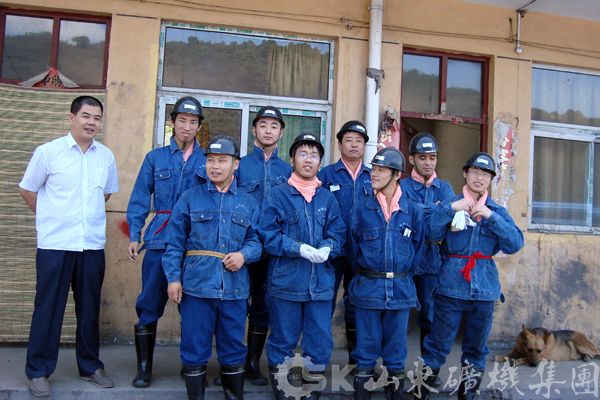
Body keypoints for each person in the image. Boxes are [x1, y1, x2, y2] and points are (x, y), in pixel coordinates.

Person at [18, 96, 119, 397]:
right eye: (86, 116)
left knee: (89, 309)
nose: (91, 122)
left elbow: (106, 194)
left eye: (97, 118)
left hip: (91, 245)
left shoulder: (106, 157)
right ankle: (38, 370)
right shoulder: (48, 152)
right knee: (48, 308)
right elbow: (27, 189)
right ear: (71, 117)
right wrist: (50, 216)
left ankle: (90, 366)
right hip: (56, 245)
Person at [162, 136, 262, 400]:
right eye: (210, 160)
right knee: (194, 348)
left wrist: (244, 255)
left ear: (235, 164)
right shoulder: (190, 198)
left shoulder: (248, 202)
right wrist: (173, 278)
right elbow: (174, 243)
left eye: (222, 160)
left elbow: (257, 241)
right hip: (197, 287)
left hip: (235, 290)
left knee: (233, 348)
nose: (215, 166)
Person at [419, 152, 524, 400]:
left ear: (491, 179)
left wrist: (490, 216)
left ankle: (467, 395)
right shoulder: (450, 204)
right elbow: (430, 233)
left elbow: (514, 244)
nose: (479, 178)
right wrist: (450, 209)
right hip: (450, 287)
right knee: (437, 345)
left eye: (485, 174)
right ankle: (420, 393)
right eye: (475, 172)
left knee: (476, 349)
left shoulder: (496, 211)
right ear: (465, 174)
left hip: (485, 290)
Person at [126, 96, 206, 388]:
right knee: (149, 303)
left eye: (193, 122)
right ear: (172, 122)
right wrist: (134, 234)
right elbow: (139, 197)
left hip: (194, 246)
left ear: (199, 127)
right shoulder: (155, 158)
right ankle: (144, 367)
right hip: (159, 240)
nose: (187, 127)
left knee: (193, 309)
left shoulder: (207, 160)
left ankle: (191, 365)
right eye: (182, 120)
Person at [260, 133, 346, 400]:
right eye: (303, 154)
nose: (308, 160)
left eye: (314, 155)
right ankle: (283, 392)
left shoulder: (327, 198)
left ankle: (310, 391)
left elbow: (338, 232)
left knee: (319, 342)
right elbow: (268, 235)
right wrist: (297, 248)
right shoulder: (277, 195)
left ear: (320, 162)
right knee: (282, 341)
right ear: (292, 160)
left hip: (319, 285)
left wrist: (329, 246)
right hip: (286, 283)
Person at [348, 147, 424, 400]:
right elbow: (353, 249)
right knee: (365, 352)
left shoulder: (412, 210)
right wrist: (369, 272)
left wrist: (400, 272)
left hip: (400, 290)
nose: (374, 174)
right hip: (368, 289)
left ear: (397, 174)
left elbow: (417, 249)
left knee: (396, 352)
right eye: (374, 169)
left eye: (381, 170)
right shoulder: (361, 209)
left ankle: (395, 393)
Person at [237, 105, 291, 385]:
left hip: (272, 252)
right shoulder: (240, 165)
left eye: (274, 126)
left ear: (281, 132)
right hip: (242, 248)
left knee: (262, 308)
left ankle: (252, 365)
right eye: (263, 125)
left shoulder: (288, 170)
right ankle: (231, 365)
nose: (268, 130)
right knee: (234, 306)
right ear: (254, 130)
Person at [317, 120, 371, 368]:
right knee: (324, 302)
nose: (354, 145)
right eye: (348, 140)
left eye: (359, 141)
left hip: (363, 252)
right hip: (332, 251)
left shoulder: (373, 176)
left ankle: (356, 362)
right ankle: (318, 360)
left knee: (357, 303)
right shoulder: (326, 175)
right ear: (339, 144)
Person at [399, 133, 454, 358]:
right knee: (399, 312)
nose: (428, 163)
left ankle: (427, 367)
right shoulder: (401, 185)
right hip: (406, 254)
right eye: (422, 157)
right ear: (412, 159)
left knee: (430, 315)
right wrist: (437, 209)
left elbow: (443, 221)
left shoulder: (445, 188)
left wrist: (423, 211)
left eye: (432, 157)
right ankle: (395, 367)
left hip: (434, 257)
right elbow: (404, 215)